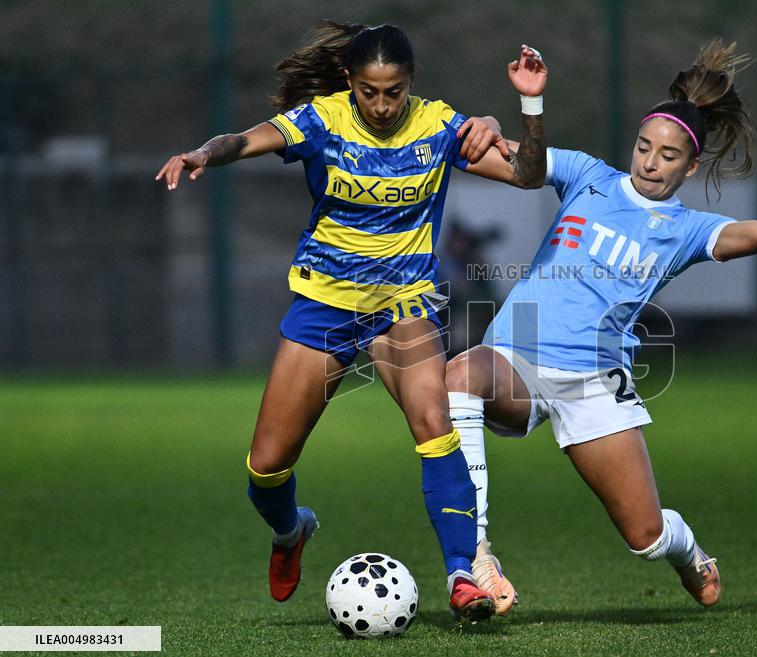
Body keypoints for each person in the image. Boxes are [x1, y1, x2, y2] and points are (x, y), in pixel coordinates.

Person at [447, 40, 757, 614]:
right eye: (643, 147)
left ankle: (691, 553)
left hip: (593, 382)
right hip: (518, 356)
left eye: (668, 155)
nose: (650, 162)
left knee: (647, 538)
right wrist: (488, 123)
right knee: (459, 374)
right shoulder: (589, 176)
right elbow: (509, 163)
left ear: (692, 165)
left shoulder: (687, 229)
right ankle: (477, 554)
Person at [155, 22, 548, 620]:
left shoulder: (440, 126)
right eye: (370, 92)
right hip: (325, 306)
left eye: (394, 92)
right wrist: (203, 154)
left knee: (434, 425)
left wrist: (519, 112)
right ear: (349, 81)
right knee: (266, 469)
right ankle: (292, 532)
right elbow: (246, 138)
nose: (383, 105)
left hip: (404, 305)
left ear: (410, 84)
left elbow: (528, 173)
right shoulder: (322, 120)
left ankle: (462, 575)